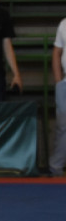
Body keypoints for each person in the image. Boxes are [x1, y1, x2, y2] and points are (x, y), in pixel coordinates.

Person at [50, 17, 66, 176]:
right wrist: (58, 80)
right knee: (63, 126)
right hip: (65, 83)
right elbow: (57, 51)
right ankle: (56, 168)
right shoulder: (64, 23)